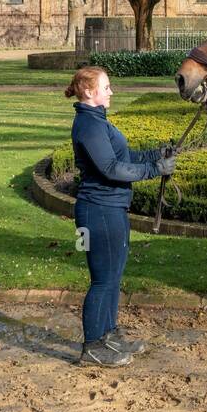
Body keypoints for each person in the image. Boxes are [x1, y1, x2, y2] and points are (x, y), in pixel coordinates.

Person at [64, 66, 175, 367]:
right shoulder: (88, 126)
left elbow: (123, 158)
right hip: (98, 211)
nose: (112, 92)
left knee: (113, 276)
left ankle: (108, 335)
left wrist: (155, 154)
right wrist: (155, 171)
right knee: (103, 279)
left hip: (112, 208)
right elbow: (111, 170)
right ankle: (92, 346)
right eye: (107, 87)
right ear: (89, 91)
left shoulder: (99, 122)